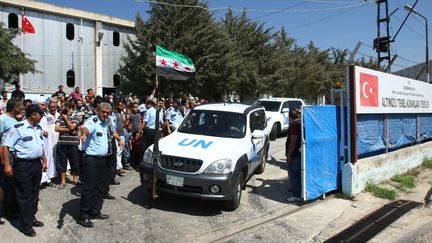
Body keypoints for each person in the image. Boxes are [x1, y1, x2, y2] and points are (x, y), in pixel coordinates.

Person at [3, 105, 47, 237]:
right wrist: (6, 164)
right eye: (40, 114)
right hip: (23, 165)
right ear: (33, 115)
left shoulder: (38, 128)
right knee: (24, 195)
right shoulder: (18, 128)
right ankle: (25, 225)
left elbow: (39, 146)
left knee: (34, 193)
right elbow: (6, 146)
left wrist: (44, 160)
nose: (41, 116)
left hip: (36, 164)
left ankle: (31, 217)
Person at [78, 102, 123, 228]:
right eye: (103, 112)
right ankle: (83, 215)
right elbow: (86, 129)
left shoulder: (108, 122)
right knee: (89, 188)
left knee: (100, 187)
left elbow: (113, 132)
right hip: (91, 160)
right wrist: (83, 135)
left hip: (104, 160)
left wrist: (119, 139)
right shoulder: (93, 120)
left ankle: (95, 211)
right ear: (98, 111)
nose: (104, 114)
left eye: (107, 113)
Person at [0, 99, 22, 224]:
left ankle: (10, 210)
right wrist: (4, 160)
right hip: (6, 155)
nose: (21, 107)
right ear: (14, 107)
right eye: (20, 106)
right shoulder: (2, 119)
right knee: (3, 184)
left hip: (15, 154)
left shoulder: (15, 120)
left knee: (11, 184)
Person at [55, 102, 81, 189]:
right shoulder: (60, 116)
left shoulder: (76, 116)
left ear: (68, 107)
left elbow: (73, 127)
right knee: (62, 163)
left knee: (75, 162)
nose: (61, 108)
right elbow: (56, 128)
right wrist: (69, 130)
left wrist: (66, 119)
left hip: (73, 143)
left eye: (63, 106)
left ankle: (75, 180)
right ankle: (63, 181)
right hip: (62, 143)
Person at [285, 109, 302, 202]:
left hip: (295, 154)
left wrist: (289, 155)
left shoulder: (294, 126)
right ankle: (297, 189)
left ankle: (297, 195)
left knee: (294, 174)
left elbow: (293, 141)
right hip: (300, 153)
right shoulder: (301, 123)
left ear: (290, 117)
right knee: (299, 174)